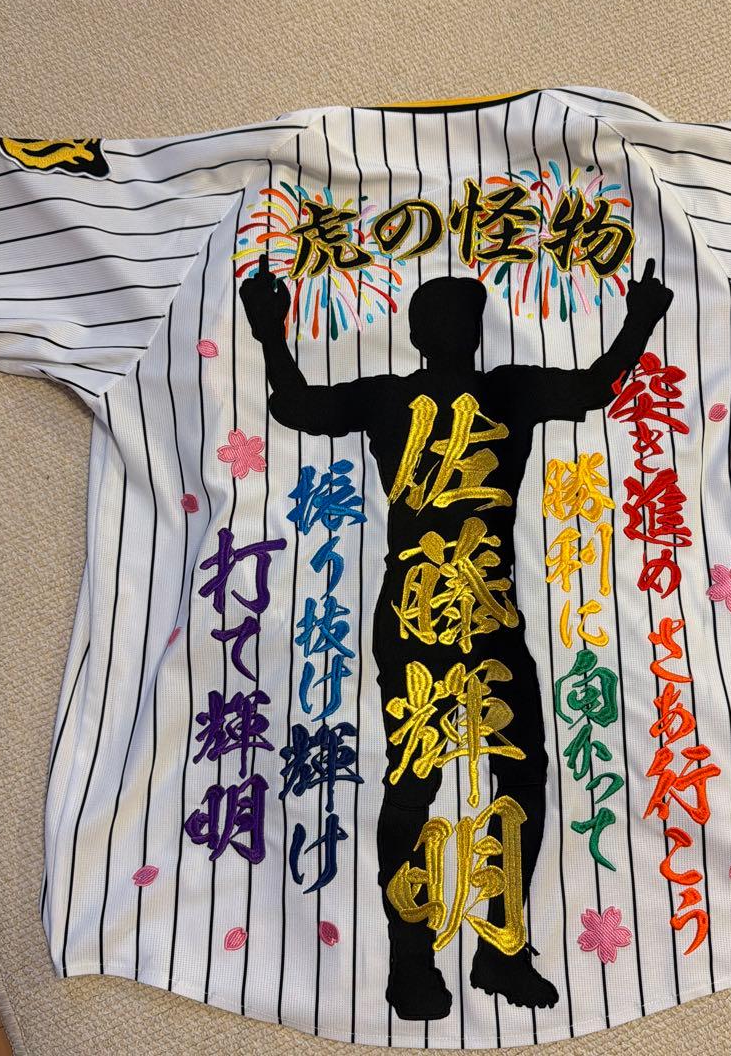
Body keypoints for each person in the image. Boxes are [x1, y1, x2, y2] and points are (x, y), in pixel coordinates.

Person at [240, 251, 673, 1020]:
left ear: (421, 334)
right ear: (471, 333)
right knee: (499, 780)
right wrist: (639, 318)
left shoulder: (397, 397)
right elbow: (596, 385)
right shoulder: (505, 389)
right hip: (465, 620)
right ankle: (450, 959)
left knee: (437, 783)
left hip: (432, 621)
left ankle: (456, 959)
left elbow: (296, 405)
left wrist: (272, 333)